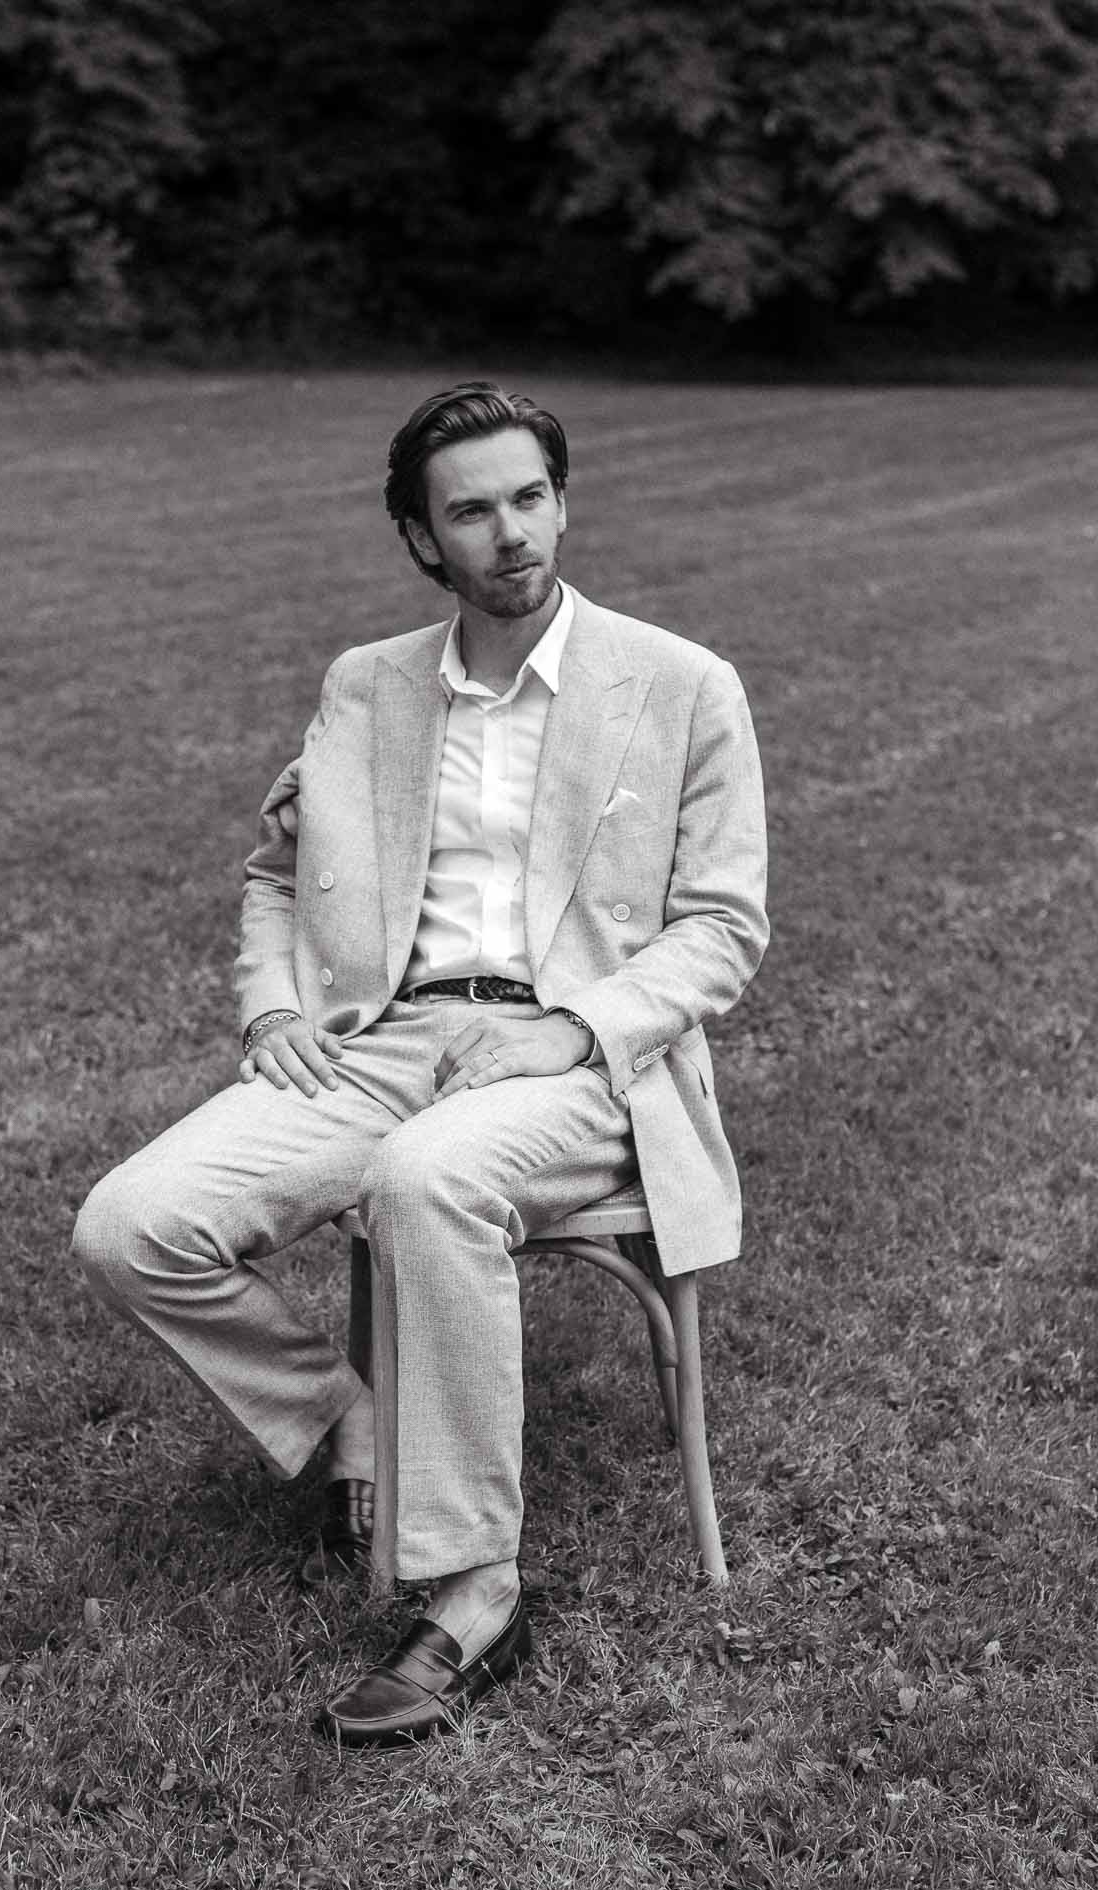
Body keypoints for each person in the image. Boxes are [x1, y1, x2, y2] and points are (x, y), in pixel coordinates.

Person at [72, 382, 768, 1745]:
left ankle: (475, 1590)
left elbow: (722, 929)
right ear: (419, 539)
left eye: (531, 498)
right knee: (131, 1224)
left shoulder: (681, 684)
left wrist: (574, 1029)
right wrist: (271, 1009)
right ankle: (352, 1423)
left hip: (579, 1055)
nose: (512, 533)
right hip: (377, 1039)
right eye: (472, 511)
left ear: (560, 502)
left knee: (425, 1177)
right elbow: (276, 872)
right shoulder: (367, 683)